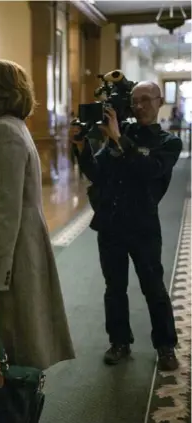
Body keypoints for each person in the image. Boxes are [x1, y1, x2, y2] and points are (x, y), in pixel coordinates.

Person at [0, 59, 75, 371]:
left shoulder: (2, 133)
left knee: (7, 360)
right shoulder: (9, 128)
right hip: (15, 261)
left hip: (8, 270)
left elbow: (3, 216)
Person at [72, 81, 181, 371]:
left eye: (147, 100)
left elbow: (149, 171)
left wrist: (120, 140)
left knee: (153, 288)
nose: (141, 106)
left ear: (160, 102)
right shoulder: (120, 135)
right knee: (114, 288)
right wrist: (81, 146)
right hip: (111, 224)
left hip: (143, 226)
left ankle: (166, 345)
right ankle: (119, 342)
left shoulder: (169, 143)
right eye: (136, 101)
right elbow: (96, 171)